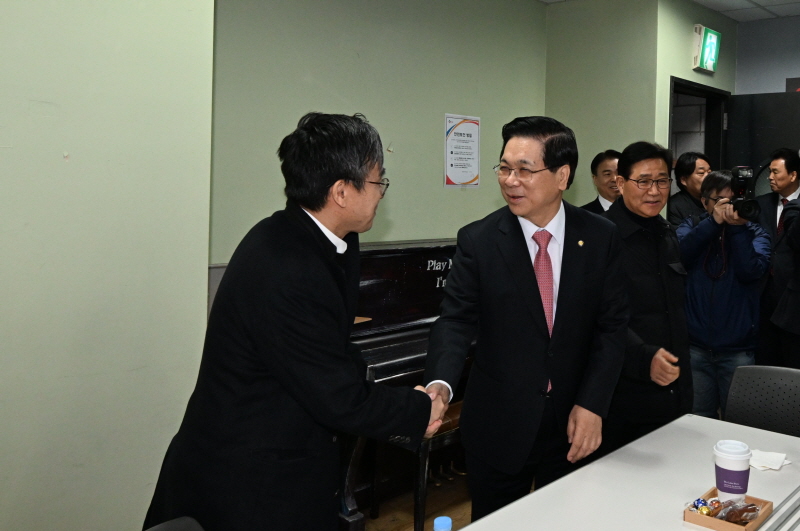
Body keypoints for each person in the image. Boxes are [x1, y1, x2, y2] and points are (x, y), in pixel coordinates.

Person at [143, 113, 445, 531]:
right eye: (379, 181)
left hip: (283, 465)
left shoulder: (320, 240)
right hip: (246, 485)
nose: (381, 193)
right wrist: (418, 410)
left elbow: (331, 347)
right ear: (341, 191)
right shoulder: (286, 266)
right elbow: (336, 396)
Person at [424, 116, 628, 522]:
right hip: (499, 426)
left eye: (524, 169)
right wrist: (440, 385)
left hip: (573, 423)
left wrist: (592, 404)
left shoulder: (600, 236)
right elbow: (456, 321)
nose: (510, 180)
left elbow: (612, 328)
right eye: (504, 168)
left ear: (562, 175)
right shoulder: (479, 240)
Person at [601, 141, 692, 453]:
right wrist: (643, 358)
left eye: (662, 180)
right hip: (621, 393)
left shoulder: (666, 232)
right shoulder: (601, 237)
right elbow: (597, 318)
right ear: (621, 183)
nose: (654, 191)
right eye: (643, 181)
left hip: (671, 389)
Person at [676, 171, 770, 418]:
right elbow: (680, 256)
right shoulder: (691, 226)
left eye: (734, 201)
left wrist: (737, 230)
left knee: (739, 422)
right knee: (697, 421)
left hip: (738, 350)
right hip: (695, 347)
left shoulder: (756, 233)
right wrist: (712, 224)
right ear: (704, 201)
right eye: (721, 201)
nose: (729, 208)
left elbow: (751, 272)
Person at [756, 148, 800, 368]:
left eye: (776, 172)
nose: (770, 177)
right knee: (766, 358)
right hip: (764, 292)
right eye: (769, 172)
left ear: (793, 175)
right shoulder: (761, 203)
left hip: (794, 295)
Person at [667, 151, 711, 227]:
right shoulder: (673, 206)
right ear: (684, 180)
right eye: (701, 173)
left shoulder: (714, 199)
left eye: (709, 172)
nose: (709, 177)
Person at [581, 149, 621, 214]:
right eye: (607, 174)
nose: (614, 179)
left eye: (619, 173)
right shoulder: (582, 215)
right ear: (595, 179)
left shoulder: (637, 211)